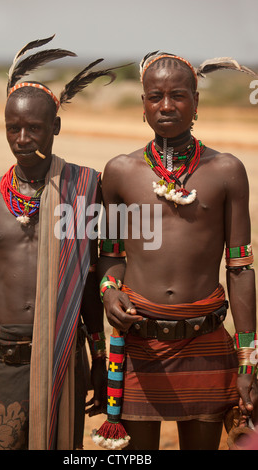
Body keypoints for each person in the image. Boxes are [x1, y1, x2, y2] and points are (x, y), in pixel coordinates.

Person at [0, 35, 121, 450]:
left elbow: (88, 281)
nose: (23, 138)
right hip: (0, 356)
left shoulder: (85, 188)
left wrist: (101, 358)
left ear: (56, 127)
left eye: (34, 128)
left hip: (64, 351)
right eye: (13, 128)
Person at [93, 52, 258, 450]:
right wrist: (109, 291)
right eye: (155, 96)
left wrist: (248, 358)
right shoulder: (119, 172)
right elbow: (111, 255)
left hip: (204, 340)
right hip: (140, 343)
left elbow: (240, 268)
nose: (166, 105)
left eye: (178, 95)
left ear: (196, 102)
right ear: (144, 105)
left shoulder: (227, 171)